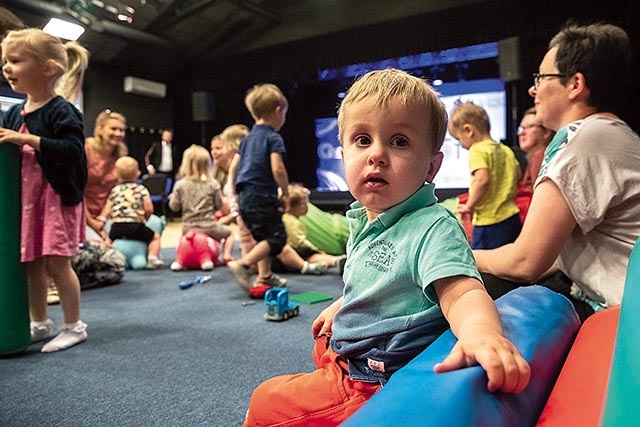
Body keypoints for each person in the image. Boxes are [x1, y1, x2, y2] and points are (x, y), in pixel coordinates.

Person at [244, 68, 530, 426]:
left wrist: (482, 333)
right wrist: (345, 302)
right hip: (362, 345)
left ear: (431, 166)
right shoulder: (370, 217)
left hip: (372, 377)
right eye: (362, 140)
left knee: (264, 401)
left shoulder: (432, 226)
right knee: (323, 340)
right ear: (343, 150)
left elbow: (461, 293)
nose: (376, 154)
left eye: (399, 142)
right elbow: (384, 278)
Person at [474, 23, 640, 321]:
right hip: (609, 301)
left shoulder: (582, 138)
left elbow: (526, 262)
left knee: (464, 289)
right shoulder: (614, 133)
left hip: (619, 315)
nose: (532, 88)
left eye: (541, 77)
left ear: (575, 84)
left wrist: (458, 255)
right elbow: (555, 258)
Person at [0, 28, 89, 352]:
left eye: (16, 61)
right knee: (32, 263)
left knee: (56, 262)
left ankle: (73, 325)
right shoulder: (13, 112)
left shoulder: (61, 110)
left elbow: (73, 151)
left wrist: (28, 140)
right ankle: (39, 322)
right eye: (5, 61)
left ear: (47, 69)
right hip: (28, 202)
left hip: (55, 199)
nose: (7, 68)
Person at [226, 84, 290, 293]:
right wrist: (286, 192)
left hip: (245, 195)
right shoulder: (273, 137)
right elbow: (278, 169)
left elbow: (234, 167)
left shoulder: (246, 139)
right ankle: (243, 264)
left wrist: (236, 192)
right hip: (262, 195)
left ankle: (265, 276)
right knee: (277, 238)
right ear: (279, 110)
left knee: (263, 237)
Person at [449, 101, 521, 250]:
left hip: (489, 221)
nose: (461, 145)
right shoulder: (505, 150)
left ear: (469, 130)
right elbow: (518, 174)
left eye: (459, 139)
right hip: (512, 216)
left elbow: (482, 180)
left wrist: (469, 206)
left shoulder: (477, 150)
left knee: (483, 267)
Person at [168, 144, 231, 270]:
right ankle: (226, 256)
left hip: (188, 229)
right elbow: (219, 206)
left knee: (183, 238)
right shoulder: (213, 184)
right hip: (209, 228)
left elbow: (174, 207)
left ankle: (179, 260)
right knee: (229, 233)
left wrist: (172, 199)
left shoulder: (180, 185)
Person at [98, 156, 165, 269]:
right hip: (136, 226)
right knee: (155, 237)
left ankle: (106, 257)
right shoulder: (141, 190)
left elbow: (107, 209)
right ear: (137, 173)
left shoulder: (115, 190)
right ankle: (153, 258)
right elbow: (149, 209)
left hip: (117, 227)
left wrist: (102, 219)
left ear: (116, 174)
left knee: (108, 240)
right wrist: (145, 218)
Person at [283, 183, 347, 274]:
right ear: (302, 206)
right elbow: (298, 241)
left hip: (295, 249)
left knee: (312, 255)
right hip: (296, 250)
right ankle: (334, 261)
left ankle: (335, 261)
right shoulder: (292, 222)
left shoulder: (290, 219)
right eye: (305, 203)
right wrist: (314, 248)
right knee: (311, 255)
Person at [84, 109, 128, 240]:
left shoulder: (121, 155)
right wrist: (92, 223)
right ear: (100, 129)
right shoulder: (86, 150)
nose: (118, 133)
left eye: (121, 130)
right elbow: (76, 192)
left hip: (108, 215)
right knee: (97, 248)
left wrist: (102, 219)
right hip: (83, 216)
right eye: (113, 129)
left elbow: (115, 193)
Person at [514, 107, 554, 221]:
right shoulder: (535, 157)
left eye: (529, 127)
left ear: (546, 132)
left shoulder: (540, 157)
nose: (521, 133)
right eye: (521, 128)